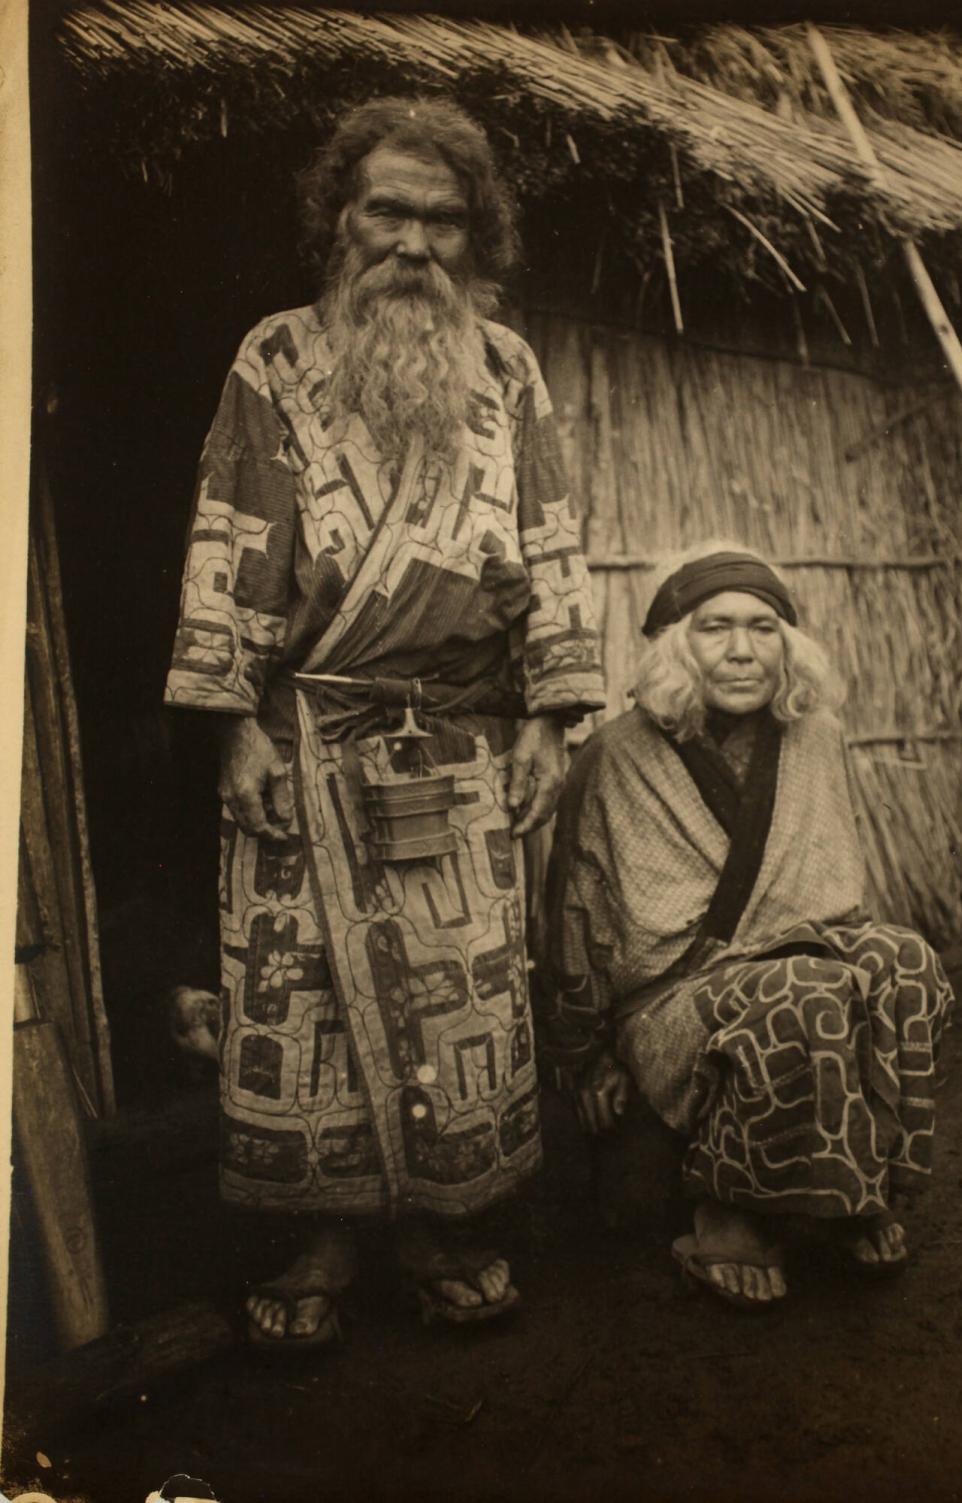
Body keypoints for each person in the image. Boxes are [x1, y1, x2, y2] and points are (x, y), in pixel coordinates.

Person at [165, 96, 605, 1345]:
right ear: (338, 222)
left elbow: (551, 543)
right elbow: (229, 540)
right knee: (294, 1000)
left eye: (444, 221)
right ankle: (315, 1240)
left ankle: (445, 1224)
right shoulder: (275, 359)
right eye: (387, 213)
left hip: (458, 744)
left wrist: (550, 719)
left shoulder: (508, 371)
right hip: (299, 739)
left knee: (463, 997)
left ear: (479, 239)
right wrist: (229, 726)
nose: (414, 245)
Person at [542, 542, 951, 1309]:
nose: (741, 651)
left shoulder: (815, 736)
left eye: (763, 628)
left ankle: (852, 1187)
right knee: (803, 989)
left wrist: (837, 960)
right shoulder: (613, 756)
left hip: (801, 957)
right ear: (675, 644)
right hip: (672, 998)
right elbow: (575, 912)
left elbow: (837, 891)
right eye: (715, 627)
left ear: (788, 643)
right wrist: (584, 1053)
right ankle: (732, 1214)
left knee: (905, 960)